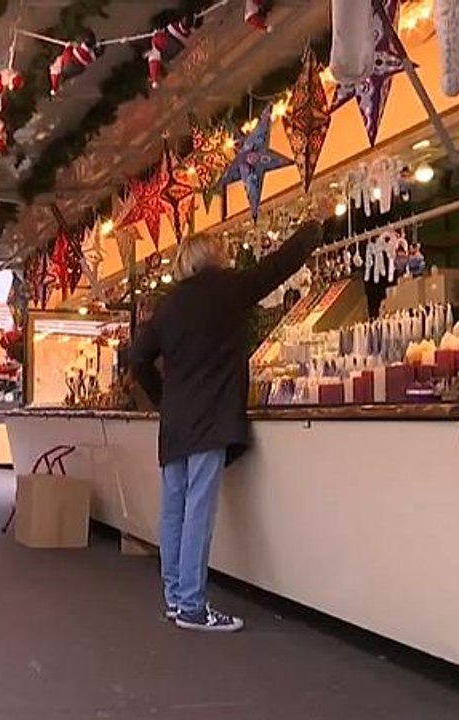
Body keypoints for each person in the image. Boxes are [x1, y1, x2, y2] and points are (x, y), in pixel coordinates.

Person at [122, 222, 321, 632]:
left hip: (175, 422)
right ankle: (193, 605)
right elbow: (277, 267)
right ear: (212, 257)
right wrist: (313, 228)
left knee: (174, 509)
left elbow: (137, 358)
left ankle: (176, 597)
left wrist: (162, 397)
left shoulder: (168, 305)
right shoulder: (227, 289)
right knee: (199, 509)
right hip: (211, 417)